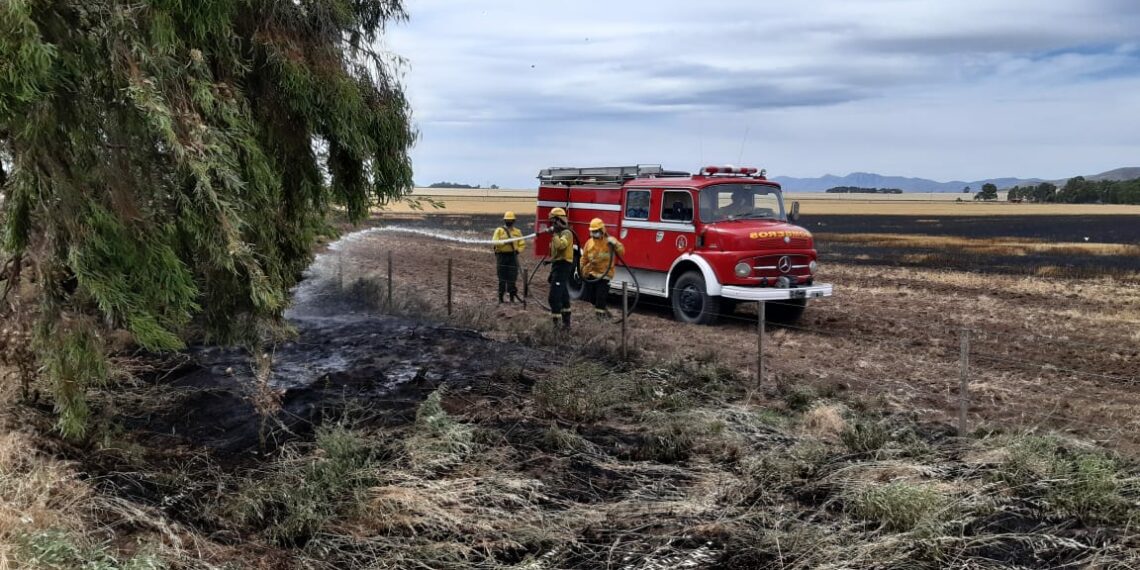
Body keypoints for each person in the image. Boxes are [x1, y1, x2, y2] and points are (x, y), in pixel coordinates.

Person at [580, 218, 625, 319]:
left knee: (600, 299)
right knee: (590, 299)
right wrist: (579, 268)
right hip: (592, 273)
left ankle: (600, 320)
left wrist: (615, 243)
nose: (594, 233)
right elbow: (584, 258)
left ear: (602, 230)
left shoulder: (609, 242)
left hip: (605, 275)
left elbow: (622, 251)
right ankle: (605, 313)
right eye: (593, 231)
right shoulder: (589, 243)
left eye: (596, 231)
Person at [545, 207, 574, 329]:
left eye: (553, 222)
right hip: (557, 265)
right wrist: (550, 261)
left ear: (559, 220)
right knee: (563, 295)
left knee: (553, 298)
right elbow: (557, 252)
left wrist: (554, 234)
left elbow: (561, 246)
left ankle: (556, 326)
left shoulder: (566, 233)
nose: (552, 225)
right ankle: (566, 324)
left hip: (563, 266)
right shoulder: (559, 234)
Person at [491, 211, 526, 303]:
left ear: (514, 221)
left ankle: (512, 298)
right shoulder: (499, 231)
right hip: (501, 256)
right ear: (505, 220)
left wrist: (518, 250)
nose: (509, 221)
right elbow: (494, 242)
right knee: (502, 278)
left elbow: (522, 244)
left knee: (512, 277)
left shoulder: (518, 232)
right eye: (507, 220)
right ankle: (500, 298)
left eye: (511, 220)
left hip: (513, 256)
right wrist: (505, 242)